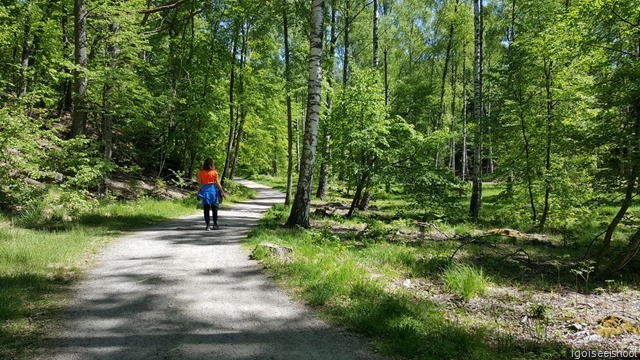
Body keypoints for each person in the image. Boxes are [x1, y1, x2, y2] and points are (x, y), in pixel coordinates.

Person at [197, 158, 225, 230]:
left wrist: (198, 192)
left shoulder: (201, 173)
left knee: (206, 209)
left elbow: (200, 184)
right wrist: (222, 192)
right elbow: (218, 183)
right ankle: (215, 224)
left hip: (204, 191)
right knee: (214, 208)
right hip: (213, 191)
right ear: (212, 164)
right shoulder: (214, 172)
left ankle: (208, 225)